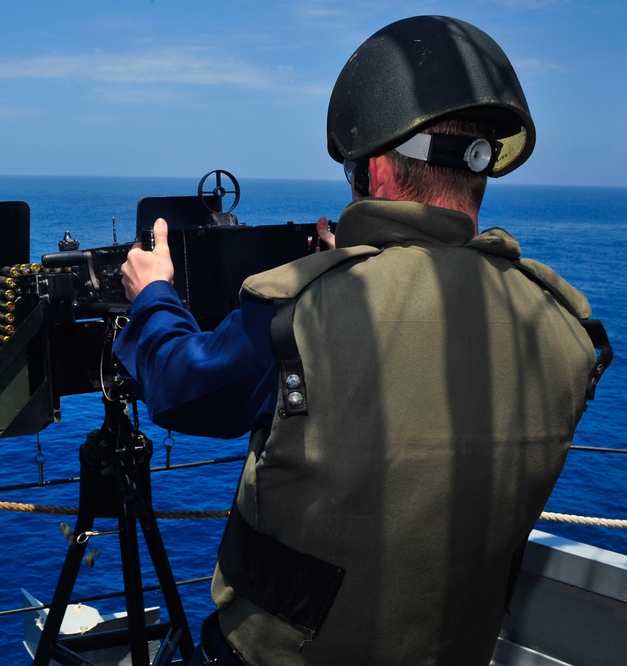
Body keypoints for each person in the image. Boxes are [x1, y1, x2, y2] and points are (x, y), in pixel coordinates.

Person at [113, 15, 610, 666]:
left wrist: (153, 295)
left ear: (373, 171)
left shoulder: (302, 313)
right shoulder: (566, 328)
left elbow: (181, 386)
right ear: (482, 168)